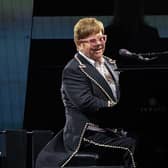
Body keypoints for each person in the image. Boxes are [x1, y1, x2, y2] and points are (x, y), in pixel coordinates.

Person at [36, 17, 136, 168]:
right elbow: (86, 102)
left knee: (150, 142)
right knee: (132, 146)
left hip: (112, 130)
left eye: (102, 38)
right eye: (93, 41)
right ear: (80, 44)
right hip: (87, 134)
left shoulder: (111, 63)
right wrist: (117, 107)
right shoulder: (73, 69)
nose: (99, 44)